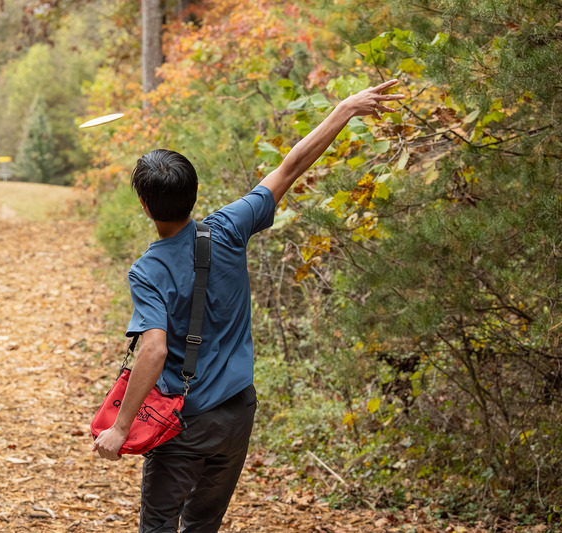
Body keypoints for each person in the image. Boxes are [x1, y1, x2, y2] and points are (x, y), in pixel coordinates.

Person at [92, 80, 405, 532]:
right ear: (195, 193)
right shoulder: (229, 227)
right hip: (237, 415)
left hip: (183, 423)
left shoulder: (147, 271)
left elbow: (154, 351)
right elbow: (290, 166)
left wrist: (120, 429)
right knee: (204, 524)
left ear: (145, 206)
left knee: (159, 524)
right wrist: (345, 108)